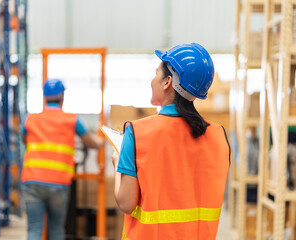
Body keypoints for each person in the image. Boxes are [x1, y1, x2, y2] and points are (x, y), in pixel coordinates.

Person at [112, 43, 230, 240]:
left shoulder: (136, 133)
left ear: (167, 82)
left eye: (155, 73)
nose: (152, 80)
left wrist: (118, 165)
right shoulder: (219, 136)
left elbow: (125, 203)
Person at [21, 79, 104, 240]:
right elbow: (91, 142)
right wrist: (103, 141)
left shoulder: (30, 119)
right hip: (58, 183)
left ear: (44, 98)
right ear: (62, 97)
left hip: (32, 181)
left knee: (34, 229)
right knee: (57, 231)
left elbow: (25, 139)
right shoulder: (71, 120)